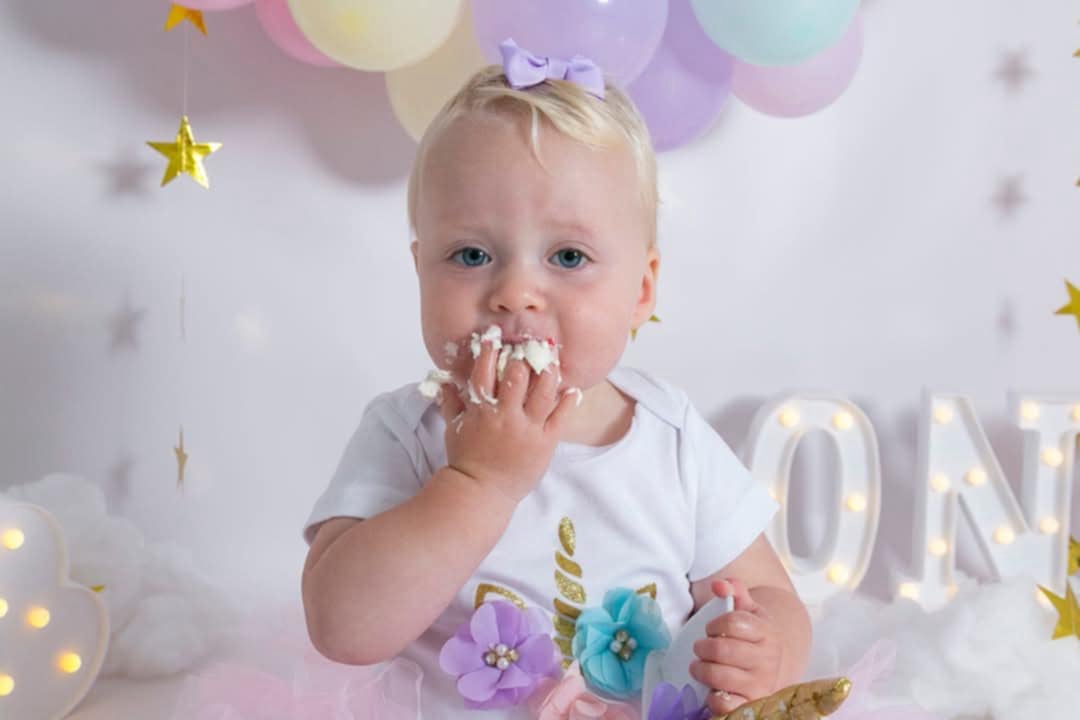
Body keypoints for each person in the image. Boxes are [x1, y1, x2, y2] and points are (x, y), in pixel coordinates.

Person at [301, 39, 811, 719]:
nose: (515, 293)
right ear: (421, 270)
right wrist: (478, 483)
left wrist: (763, 648)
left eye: (568, 256)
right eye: (472, 254)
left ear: (641, 290)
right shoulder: (408, 433)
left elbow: (773, 596)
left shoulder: (671, 438)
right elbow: (342, 628)